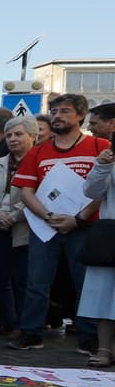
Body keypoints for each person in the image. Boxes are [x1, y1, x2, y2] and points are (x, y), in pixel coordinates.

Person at [10, 94, 108, 352]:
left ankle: (89, 338)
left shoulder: (100, 146)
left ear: (80, 116)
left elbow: (105, 190)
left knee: (85, 283)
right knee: (36, 282)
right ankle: (31, 333)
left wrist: (79, 218)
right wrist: (48, 217)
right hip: (46, 228)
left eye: (65, 111)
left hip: (85, 228)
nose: (58, 116)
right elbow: (26, 191)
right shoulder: (38, 152)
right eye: (54, 111)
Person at [0, 115, 38, 340]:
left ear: (32, 136)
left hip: (25, 226)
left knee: (23, 278)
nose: (13, 139)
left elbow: (40, 195)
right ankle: (6, 320)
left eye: (18, 134)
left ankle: (24, 325)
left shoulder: (38, 162)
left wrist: (15, 216)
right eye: (9, 135)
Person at [80, 143, 115, 367]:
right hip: (111, 232)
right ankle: (104, 348)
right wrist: (102, 166)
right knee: (105, 291)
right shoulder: (108, 158)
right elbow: (91, 191)